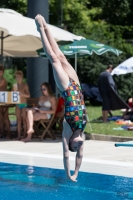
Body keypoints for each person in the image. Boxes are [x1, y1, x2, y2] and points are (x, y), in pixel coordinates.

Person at [35, 15, 87, 182]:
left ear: (71, 141)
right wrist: (78, 173)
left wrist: (69, 174)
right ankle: (47, 27)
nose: (78, 146)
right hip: (77, 86)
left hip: (66, 88)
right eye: (78, 147)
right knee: (62, 56)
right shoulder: (82, 132)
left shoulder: (68, 129)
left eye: (75, 146)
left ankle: (41, 29)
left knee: (55, 59)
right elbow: (80, 157)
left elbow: (67, 155)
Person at [12, 71, 30, 140]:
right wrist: (13, 93)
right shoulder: (14, 86)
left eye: (20, 77)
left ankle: (24, 135)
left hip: (24, 104)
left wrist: (23, 94)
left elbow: (28, 95)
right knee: (18, 120)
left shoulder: (25, 85)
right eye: (17, 77)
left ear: (22, 77)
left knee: (24, 120)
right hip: (17, 104)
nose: (18, 78)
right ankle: (19, 135)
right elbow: (11, 96)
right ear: (16, 78)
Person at [0, 64, 11, 138]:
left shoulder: (3, 80)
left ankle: (9, 133)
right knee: (0, 117)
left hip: (4, 99)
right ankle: (2, 131)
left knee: (6, 116)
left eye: (1, 71)